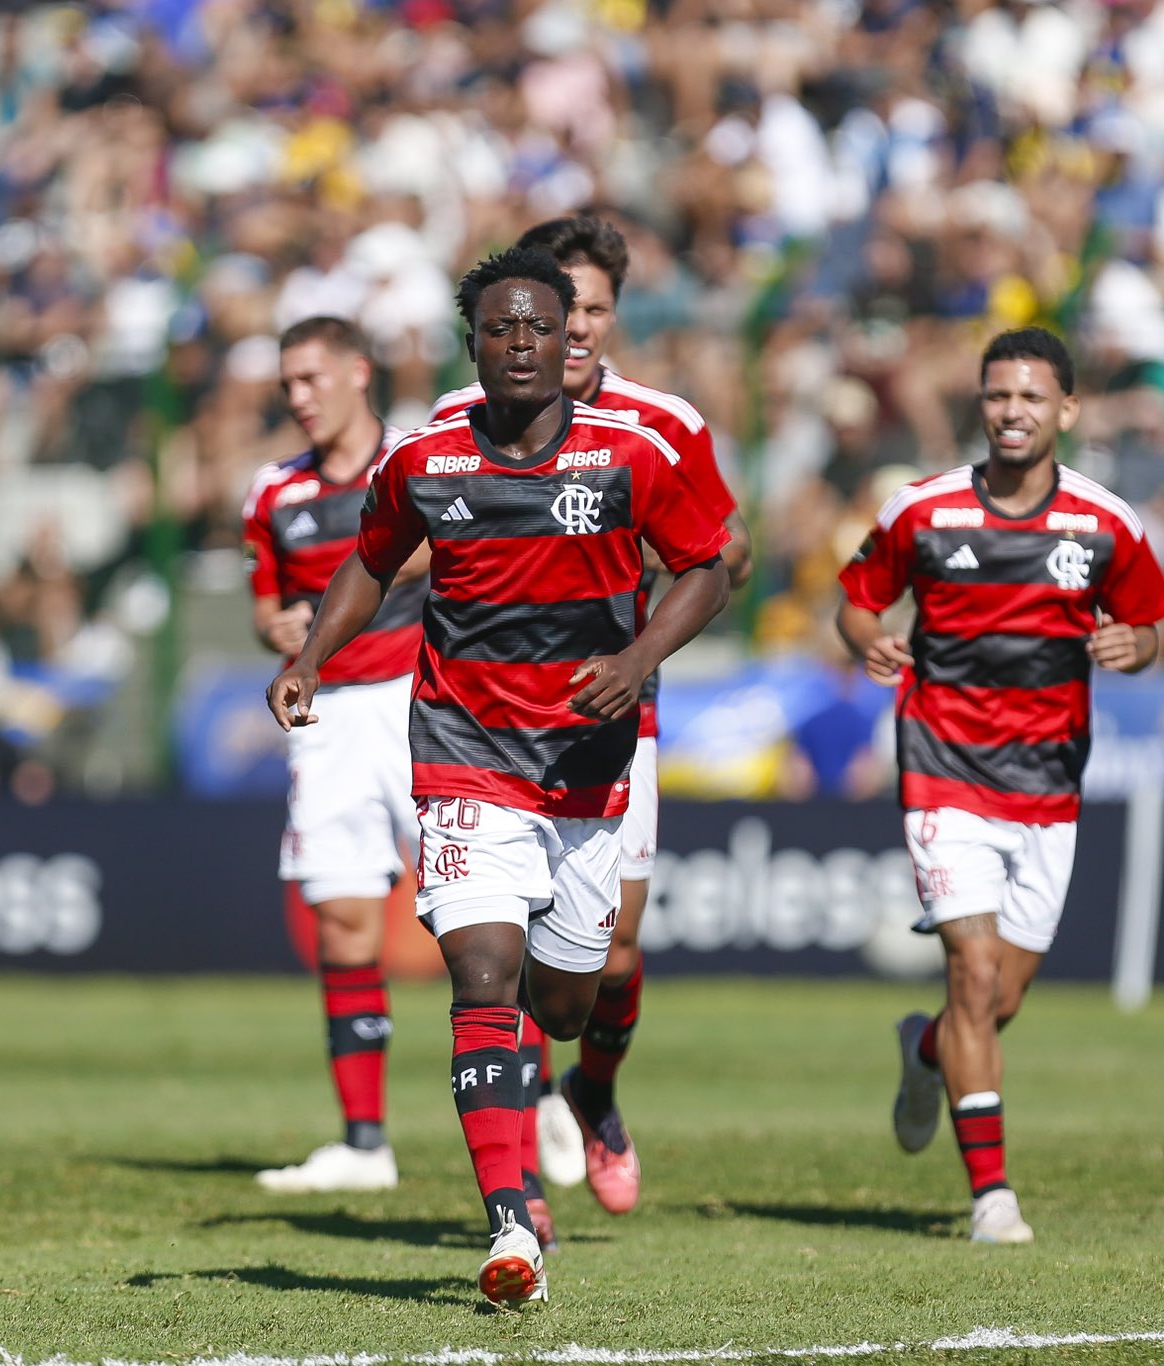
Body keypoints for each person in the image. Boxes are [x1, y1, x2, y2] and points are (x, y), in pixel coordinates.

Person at [266, 247, 730, 1306]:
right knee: (480, 975)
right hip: (464, 756)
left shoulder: (630, 453)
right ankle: (511, 1222)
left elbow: (707, 566)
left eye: (539, 327)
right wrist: (311, 659)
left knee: (562, 1003)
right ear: (470, 344)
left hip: (586, 766)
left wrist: (637, 659)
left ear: (570, 341)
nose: (520, 344)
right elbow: (370, 561)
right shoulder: (425, 459)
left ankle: (576, 1086)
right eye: (499, 329)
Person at [428, 215, 752, 1238]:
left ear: (604, 316)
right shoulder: (458, 418)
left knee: (607, 956)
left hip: (613, 720)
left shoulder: (663, 425)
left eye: (591, 311)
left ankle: (594, 1094)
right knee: (495, 947)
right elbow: (419, 533)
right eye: (546, 314)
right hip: (486, 729)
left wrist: (631, 594)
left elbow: (726, 555)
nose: (567, 333)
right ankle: (515, 1175)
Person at [835, 327, 1164, 1245]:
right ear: (979, 405)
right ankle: (992, 1197)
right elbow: (856, 601)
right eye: (997, 396)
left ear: (1067, 409)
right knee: (974, 973)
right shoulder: (923, 510)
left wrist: (1133, 645)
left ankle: (923, 1050)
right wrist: (871, 642)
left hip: (1049, 785)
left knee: (997, 1002)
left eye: (1030, 397)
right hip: (943, 769)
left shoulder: (1106, 523)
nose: (1012, 412)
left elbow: (1150, 626)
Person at [241, 316, 427, 1193]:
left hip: (425, 702)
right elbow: (266, 606)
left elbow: (441, 553)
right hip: (327, 717)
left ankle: (536, 1099)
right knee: (345, 919)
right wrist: (281, 627)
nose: (298, 397)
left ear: (359, 371)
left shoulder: (420, 461)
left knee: (487, 912)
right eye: (288, 383)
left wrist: (355, 581)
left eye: (311, 377)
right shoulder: (274, 491)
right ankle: (363, 1144)